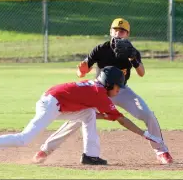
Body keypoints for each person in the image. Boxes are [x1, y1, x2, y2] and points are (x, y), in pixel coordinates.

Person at [35, 18, 173, 165]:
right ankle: (45, 150)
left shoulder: (131, 51)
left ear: (127, 34)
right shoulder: (101, 49)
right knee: (75, 120)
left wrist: (134, 58)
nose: (118, 33)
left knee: (147, 114)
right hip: (99, 93)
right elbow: (82, 71)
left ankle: (161, 151)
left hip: (122, 90)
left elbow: (141, 72)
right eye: (115, 30)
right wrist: (80, 71)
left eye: (122, 31)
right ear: (110, 31)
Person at [0, 66, 161, 165]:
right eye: (119, 87)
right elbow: (121, 119)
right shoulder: (99, 94)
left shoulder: (97, 89)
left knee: (88, 114)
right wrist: (144, 133)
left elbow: (101, 115)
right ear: (109, 84)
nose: (119, 91)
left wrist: (108, 117)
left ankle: (90, 156)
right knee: (24, 139)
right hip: (51, 104)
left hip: (56, 102)